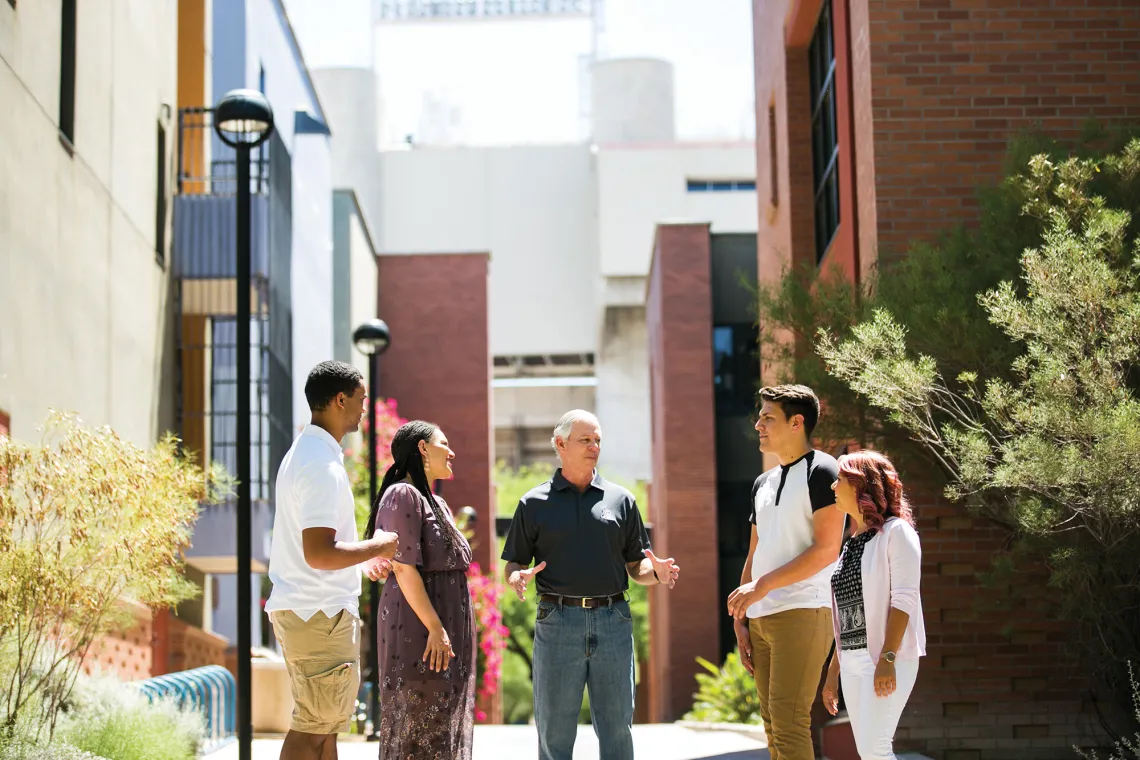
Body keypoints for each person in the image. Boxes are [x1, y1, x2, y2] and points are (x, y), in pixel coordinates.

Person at [501, 410, 679, 760]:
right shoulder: (533, 503)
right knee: (554, 731)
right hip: (557, 622)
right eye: (585, 440)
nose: (594, 446)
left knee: (617, 731)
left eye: (597, 440)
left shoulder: (622, 501)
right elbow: (514, 561)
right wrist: (516, 577)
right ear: (560, 444)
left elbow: (635, 566)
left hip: (614, 620)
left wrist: (654, 572)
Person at [264, 361, 400, 760]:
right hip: (317, 614)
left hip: (315, 612)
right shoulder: (321, 465)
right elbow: (319, 553)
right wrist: (378, 546)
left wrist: (359, 561)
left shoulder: (309, 455)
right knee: (312, 730)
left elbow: (318, 546)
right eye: (360, 400)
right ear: (340, 399)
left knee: (324, 731)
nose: (363, 409)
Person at [726, 384, 846, 760]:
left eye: (768, 417)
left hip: (804, 611)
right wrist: (742, 613)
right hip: (761, 616)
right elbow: (755, 552)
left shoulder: (824, 470)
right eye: (760, 416)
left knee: (790, 723)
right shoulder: (763, 482)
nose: (758, 424)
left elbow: (827, 550)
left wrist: (760, 589)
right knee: (772, 725)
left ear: (797, 422)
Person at [363, 420, 477, 760]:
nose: (452, 451)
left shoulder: (438, 504)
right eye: (444, 443)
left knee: (438, 737)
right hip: (419, 632)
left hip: (442, 634)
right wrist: (435, 626)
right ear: (423, 449)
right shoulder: (402, 494)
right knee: (417, 736)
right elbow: (402, 566)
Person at [821, 450, 925, 760]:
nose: (833, 487)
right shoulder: (852, 543)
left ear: (859, 486)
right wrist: (832, 671)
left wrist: (888, 658)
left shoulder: (898, 533)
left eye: (839, 480)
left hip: (886, 657)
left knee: (877, 749)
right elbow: (847, 613)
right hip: (852, 660)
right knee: (869, 751)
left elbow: (904, 599)